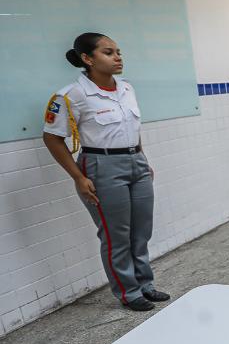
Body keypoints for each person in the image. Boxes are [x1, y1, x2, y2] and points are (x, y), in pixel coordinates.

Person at [42, 33, 169, 312]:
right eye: (108, 52)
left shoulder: (126, 88)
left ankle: (145, 284)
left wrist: (142, 158)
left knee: (141, 231)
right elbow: (52, 137)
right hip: (101, 166)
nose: (117, 57)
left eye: (118, 52)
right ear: (87, 59)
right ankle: (129, 291)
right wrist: (78, 177)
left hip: (136, 162)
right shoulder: (71, 95)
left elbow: (131, 128)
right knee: (115, 235)